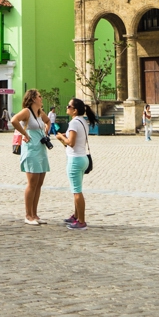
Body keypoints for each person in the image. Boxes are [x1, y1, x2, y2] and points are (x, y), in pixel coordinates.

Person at [11, 89, 51, 225]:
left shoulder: (39, 112)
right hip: (31, 150)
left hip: (40, 149)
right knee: (32, 183)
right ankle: (28, 215)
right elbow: (14, 120)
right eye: (39, 96)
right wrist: (24, 133)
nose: (41, 98)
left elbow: (48, 121)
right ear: (33, 98)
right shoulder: (27, 112)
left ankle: (35, 213)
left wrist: (46, 131)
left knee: (39, 183)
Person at [56, 97, 92, 228]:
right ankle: (76, 215)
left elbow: (70, 143)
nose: (67, 108)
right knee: (77, 189)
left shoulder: (74, 123)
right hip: (83, 158)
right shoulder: (82, 121)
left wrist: (61, 137)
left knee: (77, 191)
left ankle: (81, 221)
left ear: (75, 110)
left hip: (75, 160)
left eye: (68, 106)